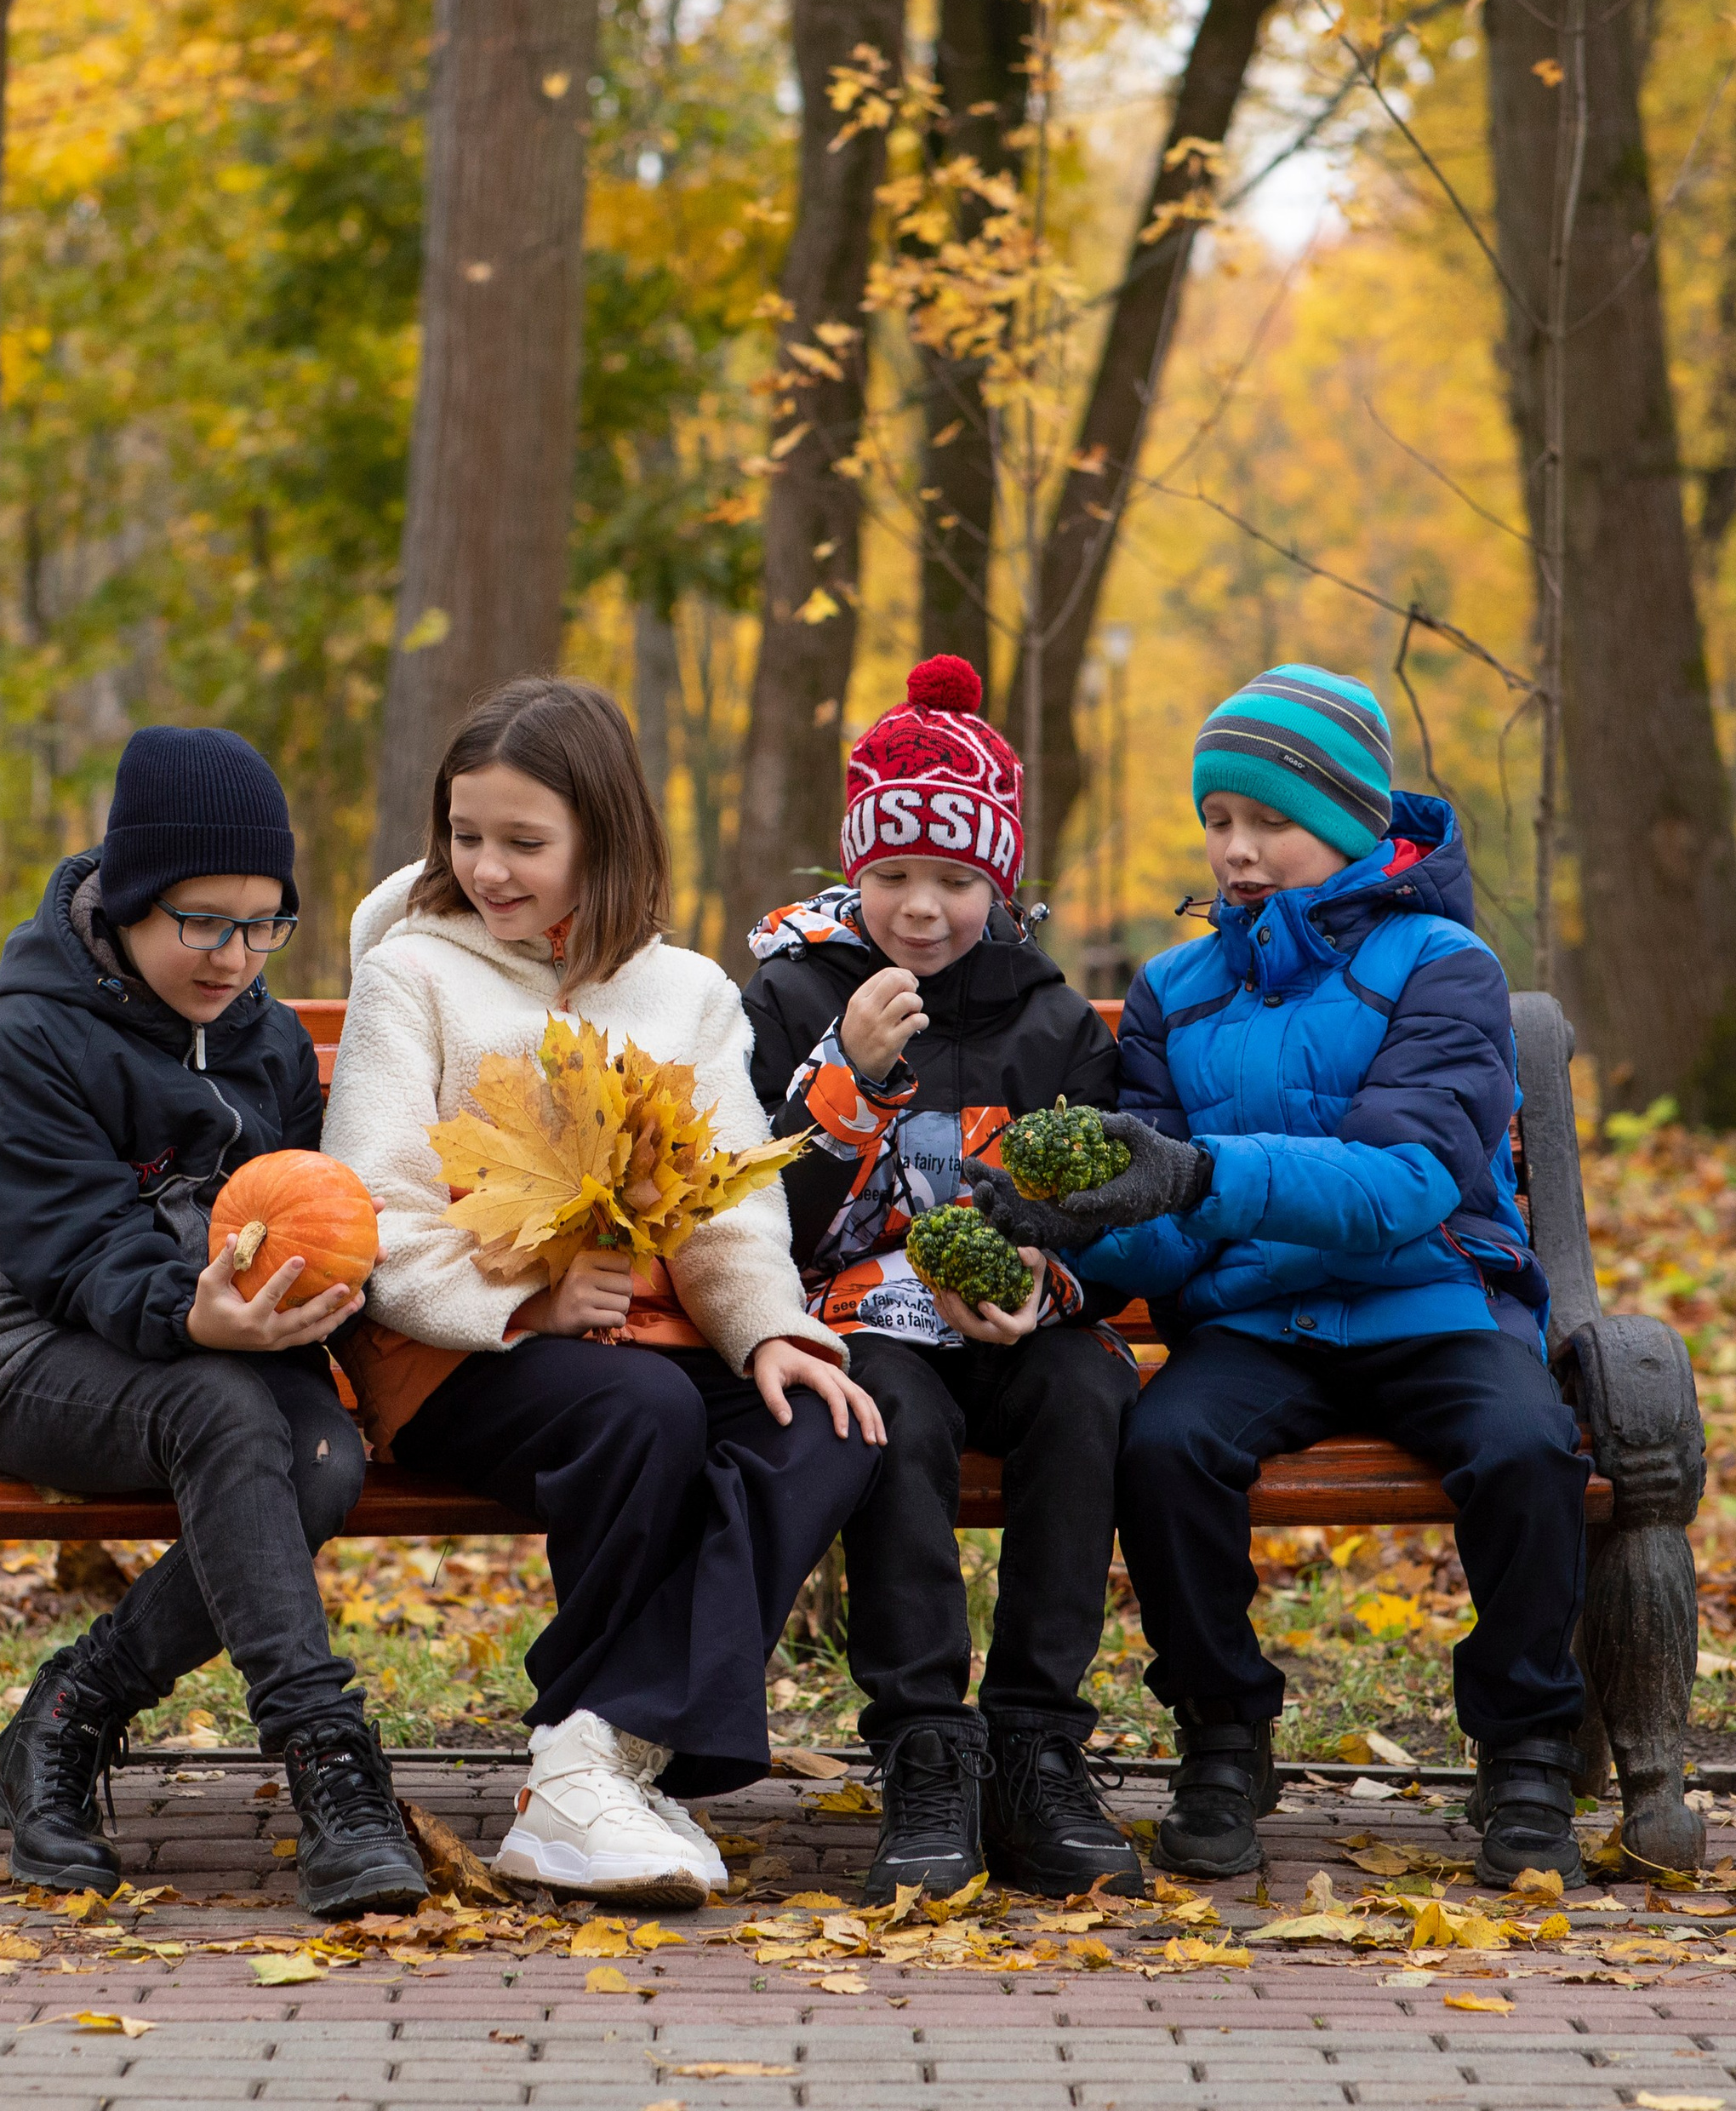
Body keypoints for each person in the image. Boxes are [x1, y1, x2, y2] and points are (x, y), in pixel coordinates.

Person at [972, 664, 1591, 1889]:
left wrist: (1195, 1176)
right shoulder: (1178, 989)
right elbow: (1165, 1221)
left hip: (1431, 1301)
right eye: (1219, 822)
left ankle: (1525, 1752)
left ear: (1353, 821)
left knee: (1527, 1449)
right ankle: (1222, 1735)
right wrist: (1073, 1231)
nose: (1239, 851)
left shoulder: (1443, 965)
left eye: (1270, 821)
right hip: (1256, 1324)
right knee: (1164, 1449)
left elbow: (1406, 1183)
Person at [322, 677, 882, 1906]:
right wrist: (521, 1304)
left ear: (604, 836)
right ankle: (603, 1773)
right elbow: (373, 1213)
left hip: (649, 1340)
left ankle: (594, 1754)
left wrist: (770, 1333)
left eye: (525, 842)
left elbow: (730, 1199)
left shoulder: (683, 992)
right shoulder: (413, 974)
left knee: (829, 1417)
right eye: (468, 836)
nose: (490, 869)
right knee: (645, 1412)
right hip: (456, 1352)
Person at [0, 725, 427, 1916]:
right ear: (133, 898)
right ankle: (327, 1763)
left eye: (263, 925)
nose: (236, 956)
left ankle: (69, 1713)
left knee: (321, 1459)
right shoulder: (26, 1046)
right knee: (221, 1408)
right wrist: (199, 1318)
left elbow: (313, 1212)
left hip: (226, 1349)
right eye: (204, 921)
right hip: (23, 1348)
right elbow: (79, 1259)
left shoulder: (265, 1047)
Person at [742, 654, 1144, 1902]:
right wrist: (847, 1075)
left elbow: (1109, 1204)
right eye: (895, 876)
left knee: (1086, 1401)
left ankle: (1034, 1742)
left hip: (1022, 1325)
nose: (923, 907)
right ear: (854, 870)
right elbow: (760, 1211)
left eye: (956, 880)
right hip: (862, 1318)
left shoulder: (1053, 1021)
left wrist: (1047, 1278)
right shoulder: (793, 992)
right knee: (887, 1421)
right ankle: (925, 1742)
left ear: (999, 881)